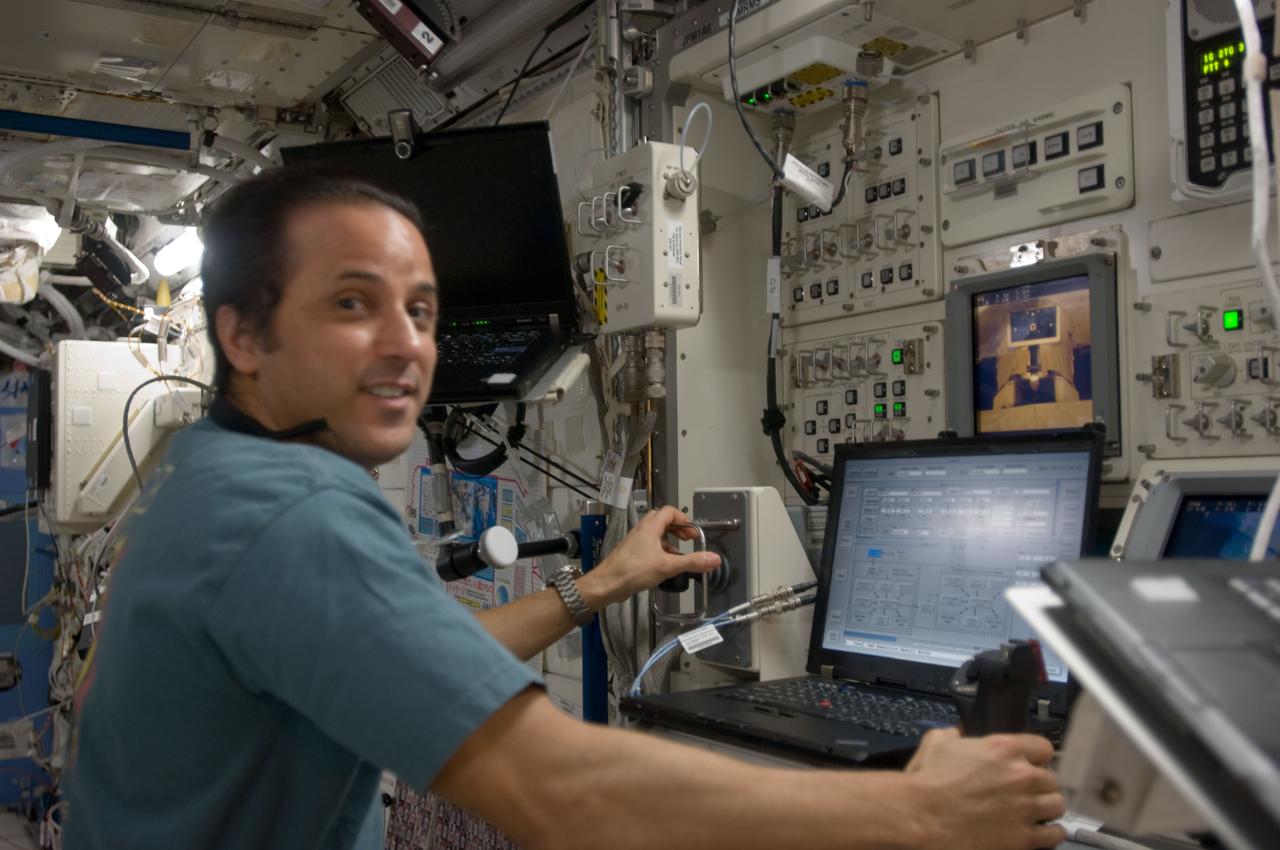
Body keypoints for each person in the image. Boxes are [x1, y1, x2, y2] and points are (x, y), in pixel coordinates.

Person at [63, 169, 1066, 850]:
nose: (407, 343)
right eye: (352, 303)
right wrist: (918, 810)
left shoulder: (213, 476)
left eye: (421, 309)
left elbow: (419, 664)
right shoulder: (292, 512)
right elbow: (556, 791)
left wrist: (601, 586)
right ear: (243, 336)